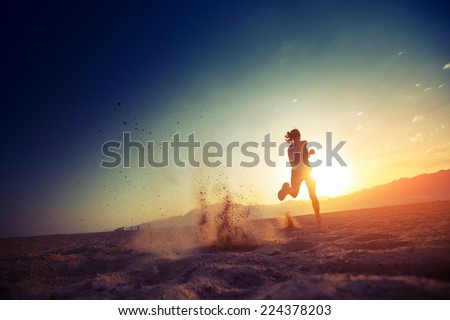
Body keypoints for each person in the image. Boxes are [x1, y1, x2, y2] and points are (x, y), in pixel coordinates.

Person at [278, 129, 321, 224]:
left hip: (295, 172)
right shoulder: (304, 143)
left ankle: (287, 189)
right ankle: (317, 217)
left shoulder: (289, 149)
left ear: (292, 138)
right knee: (313, 195)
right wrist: (311, 153)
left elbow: (294, 161)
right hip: (307, 172)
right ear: (299, 135)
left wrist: (307, 155)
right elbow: (304, 156)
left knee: (294, 193)